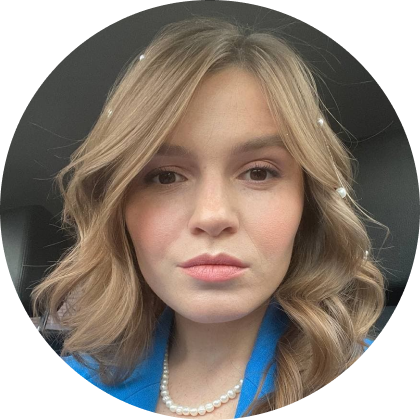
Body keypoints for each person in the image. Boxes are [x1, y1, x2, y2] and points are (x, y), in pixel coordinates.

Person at [31, 16, 386, 418]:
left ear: (308, 204)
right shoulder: (84, 367)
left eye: (259, 172)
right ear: (119, 210)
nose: (213, 215)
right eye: (165, 176)